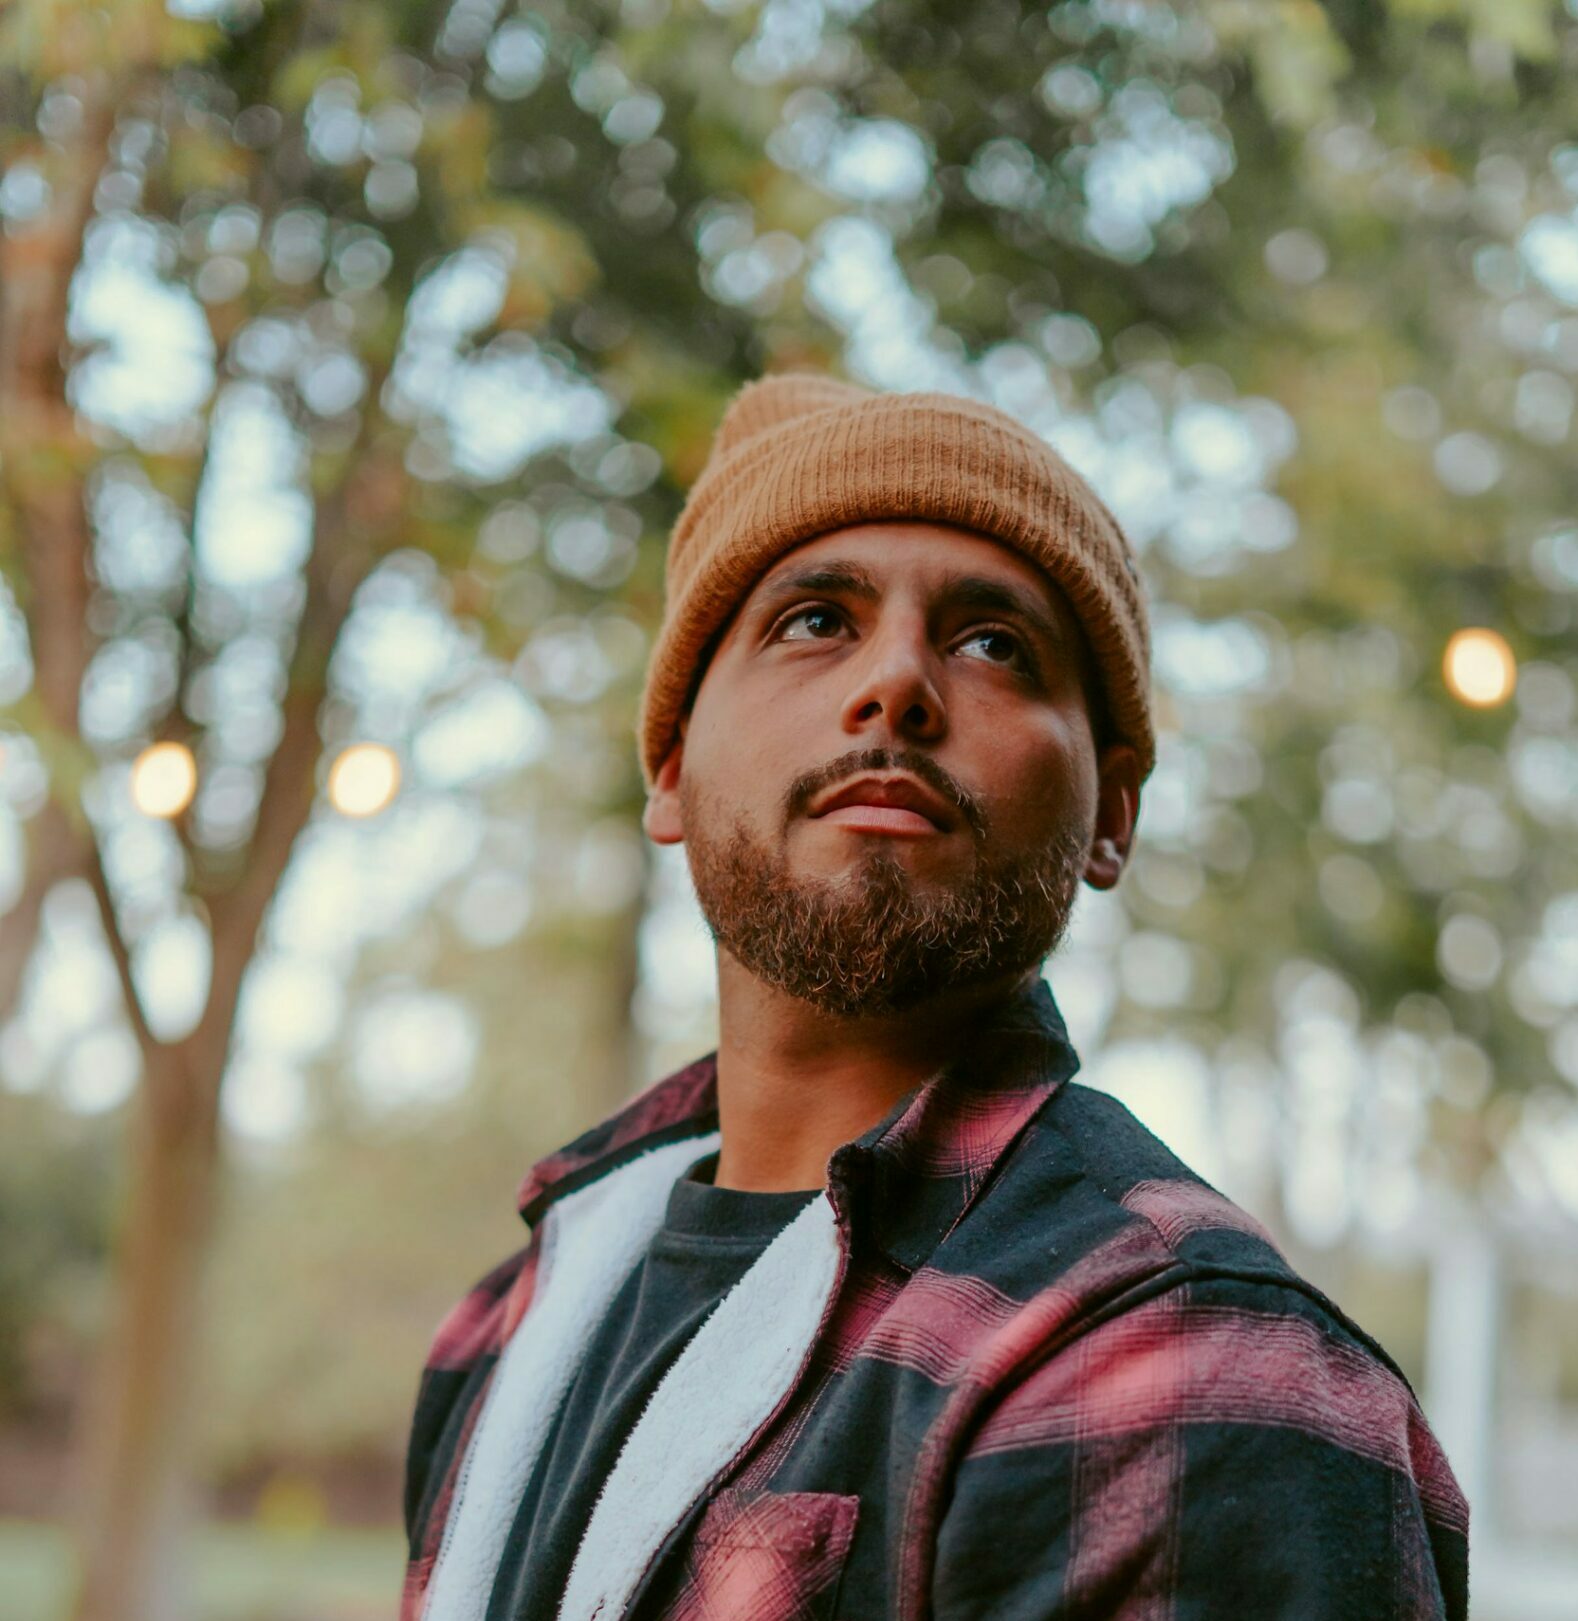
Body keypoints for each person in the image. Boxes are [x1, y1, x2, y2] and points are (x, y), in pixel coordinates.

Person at [398, 373, 1469, 1621]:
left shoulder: (1187, 1359)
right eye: (812, 620)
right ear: (673, 766)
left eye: (991, 643)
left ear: (1110, 814)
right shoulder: (507, 1321)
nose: (896, 682)